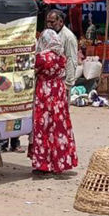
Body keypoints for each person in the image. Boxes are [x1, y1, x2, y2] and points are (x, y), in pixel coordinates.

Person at [31, 29, 78, 174]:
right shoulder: (61, 57)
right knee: (58, 127)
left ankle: (43, 165)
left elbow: (33, 71)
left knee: (43, 128)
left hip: (44, 94)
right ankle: (60, 163)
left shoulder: (42, 58)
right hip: (58, 93)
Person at [46, 9, 78, 96]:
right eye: (47, 22)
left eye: (52, 22)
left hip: (62, 80)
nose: (49, 25)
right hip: (49, 79)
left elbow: (71, 59)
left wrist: (68, 83)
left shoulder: (68, 37)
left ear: (60, 22)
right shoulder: (49, 34)